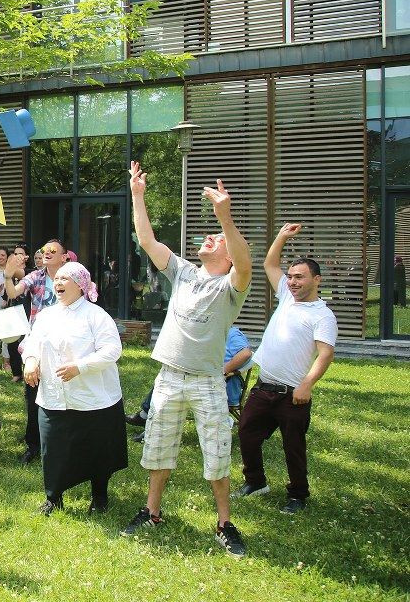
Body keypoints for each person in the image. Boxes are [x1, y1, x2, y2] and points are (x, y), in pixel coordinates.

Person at [120, 161, 252, 560]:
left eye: (218, 239)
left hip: (208, 380)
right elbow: (147, 240)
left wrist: (224, 216)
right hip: (169, 377)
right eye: (211, 234)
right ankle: (152, 511)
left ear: (227, 257)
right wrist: (137, 195)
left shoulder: (232, 286)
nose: (209, 238)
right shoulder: (184, 272)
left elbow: (245, 262)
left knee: (216, 451)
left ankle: (225, 524)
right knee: (158, 446)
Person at [234, 223, 338, 515]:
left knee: (293, 446)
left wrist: (307, 384)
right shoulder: (286, 297)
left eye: (300, 277)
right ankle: (255, 482)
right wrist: (280, 236)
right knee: (246, 433)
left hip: (293, 393)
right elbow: (269, 263)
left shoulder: (323, 315)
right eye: (290, 277)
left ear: (316, 279)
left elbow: (325, 354)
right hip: (264, 386)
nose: (292, 282)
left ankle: (297, 495)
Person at [23, 262, 126, 514]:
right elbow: (33, 342)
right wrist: (31, 361)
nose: (57, 283)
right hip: (53, 396)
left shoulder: (96, 316)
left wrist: (80, 366)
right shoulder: (46, 315)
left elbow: (112, 350)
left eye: (64, 279)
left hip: (92, 398)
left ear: (80, 285)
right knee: (53, 448)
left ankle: (99, 497)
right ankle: (53, 497)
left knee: (96, 450)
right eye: (56, 278)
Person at [126, 327, 253, 440]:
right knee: (170, 378)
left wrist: (223, 371)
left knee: (171, 384)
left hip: (219, 388)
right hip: (201, 384)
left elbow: (246, 353)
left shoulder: (231, 332)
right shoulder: (206, 333)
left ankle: (147, 420)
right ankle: (150, 425)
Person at [6, 239, 69, 464]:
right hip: (38, 346)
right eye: (44, 250)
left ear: (64, 256)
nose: (46, 253)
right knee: (33, 397)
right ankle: (33, 445)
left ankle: (59, 442)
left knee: (64, 394)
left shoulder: (72, 276)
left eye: (53, 251)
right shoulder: (36, 277)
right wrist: (7, 275)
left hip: (65, 345)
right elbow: (13, 293)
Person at [4, 243, 32, 383]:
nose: (17, 256)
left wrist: (10, 266)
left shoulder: (30, 272)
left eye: (21, 253)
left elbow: (14, 272)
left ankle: (29, 370)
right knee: (12, 342)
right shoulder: (10, 273)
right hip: (13, 310)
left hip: (27, 311)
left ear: (27, 256)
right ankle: (16, 373)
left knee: (26, 343)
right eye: (15, 254)